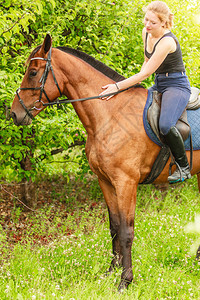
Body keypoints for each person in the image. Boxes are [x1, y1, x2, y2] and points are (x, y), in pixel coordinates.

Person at [99, 0, 191, 183]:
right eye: (146, 20)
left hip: (176, 85)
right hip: (159, 82)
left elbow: (146, 73)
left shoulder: (167, 42)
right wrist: (133, 85)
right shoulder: (146, 33)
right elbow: (146, 64)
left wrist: (117, 86)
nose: (147, 25)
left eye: (153, 22)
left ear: (163, 23)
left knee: (165, 125)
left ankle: (184, 167)